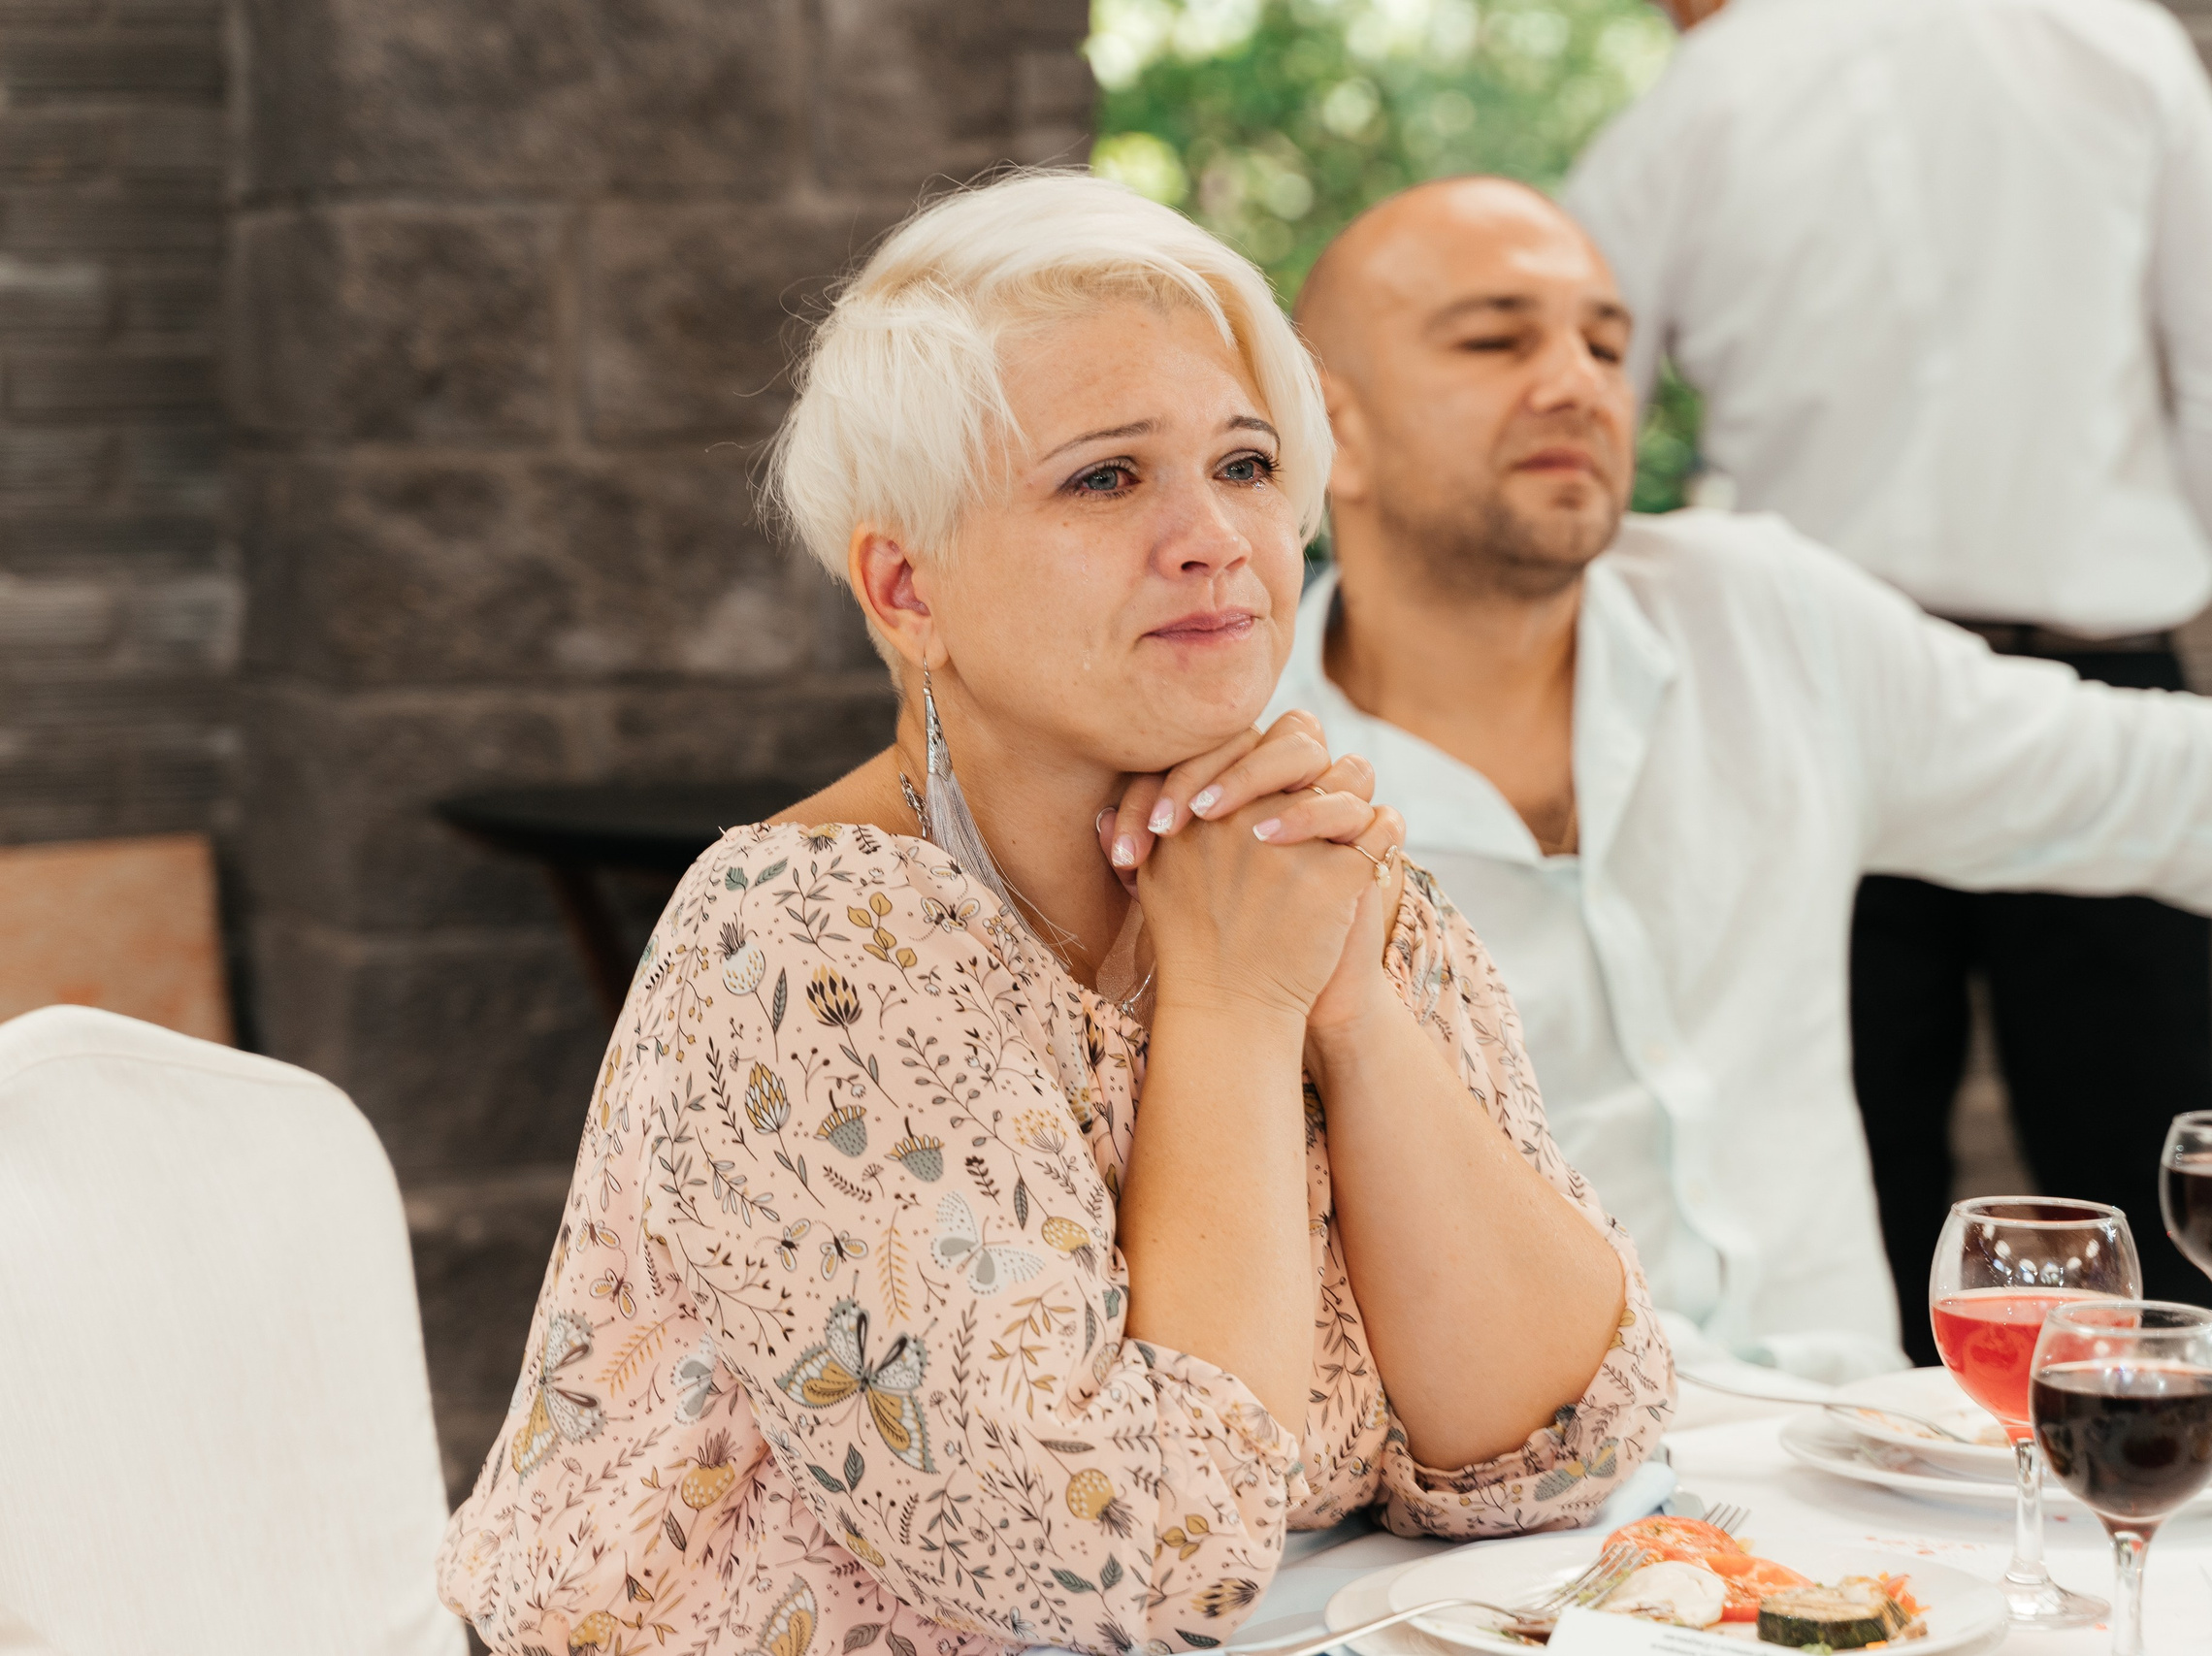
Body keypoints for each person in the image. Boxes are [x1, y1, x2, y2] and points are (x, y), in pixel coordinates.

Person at [435, 174, 1670, 1655]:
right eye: (1106, 478)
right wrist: (1232, 1007)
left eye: (1248, 465)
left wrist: (1343, 1002)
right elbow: (1118, 1574)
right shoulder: (804, 946)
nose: (1216, 537)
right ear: (905, 588)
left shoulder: (1299, 869)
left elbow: (1563, 1446)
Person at [1096, 176, 2212, 1385]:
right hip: (1499, 1506)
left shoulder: (1760, 618)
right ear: (1327, 417)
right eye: (1494, 337)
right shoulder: (1222, 768)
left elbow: (2179, 782)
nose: (1577, 378)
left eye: (1605, 338)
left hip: (1856, 1446)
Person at [1561, 0, 2212, 1359]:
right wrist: (2138, 559)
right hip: (2091, 683)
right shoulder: (2121, 41)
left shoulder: (1710, 88)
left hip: (1813, 691)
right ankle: (2162, 1523)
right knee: (2143, 1191)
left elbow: (1567, 389)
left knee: (1837, 1172)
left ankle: (1864, 1540)